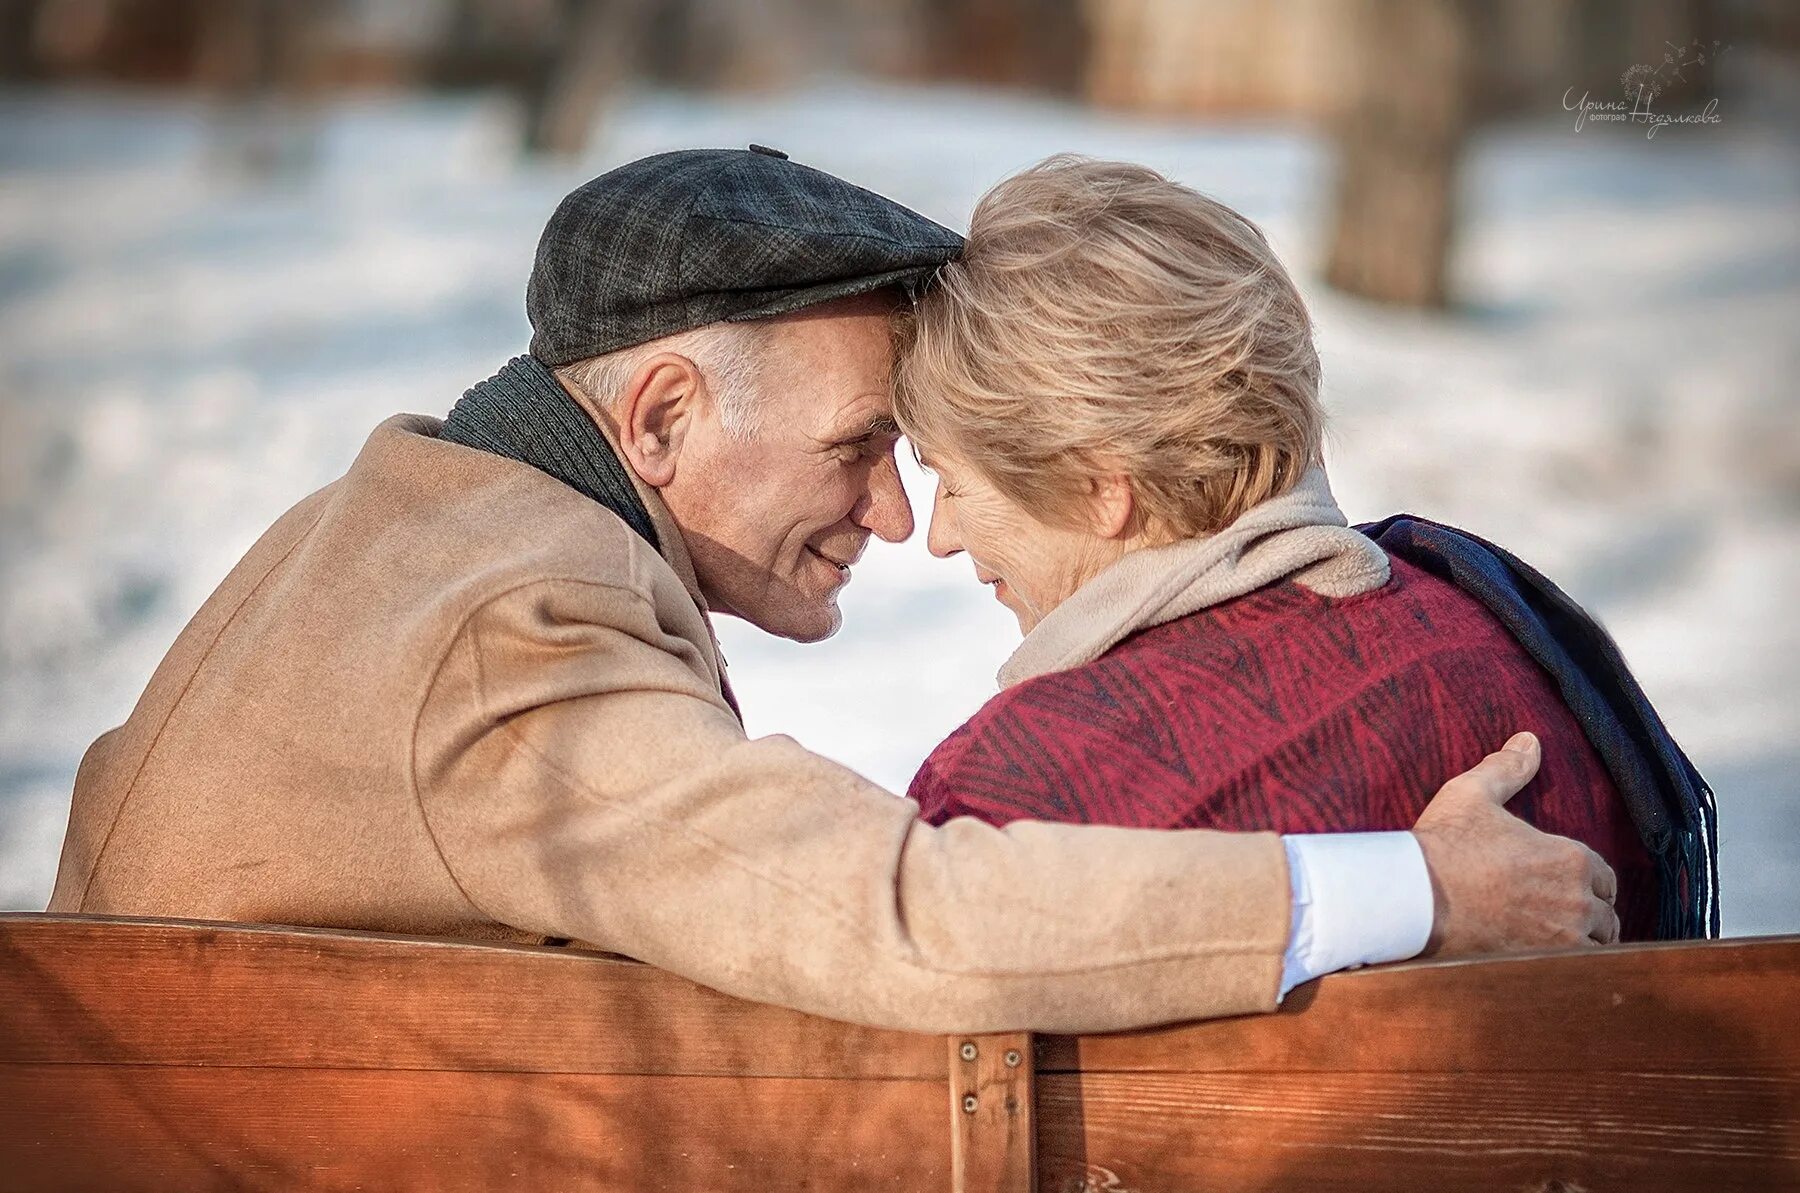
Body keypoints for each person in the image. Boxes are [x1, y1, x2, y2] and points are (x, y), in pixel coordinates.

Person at [48, 148, 1617, 1035]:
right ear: (662, 420)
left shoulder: (407, 527)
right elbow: (905, 918)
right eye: (862, 444)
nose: (893, 512)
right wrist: (1417, 891)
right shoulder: (510, 635)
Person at [893, 155, 1706, 944]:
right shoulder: (1519, 646)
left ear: (1100, 485)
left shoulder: (1006, 807)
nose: (939, 535)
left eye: (953, 482)